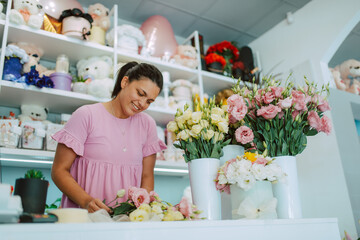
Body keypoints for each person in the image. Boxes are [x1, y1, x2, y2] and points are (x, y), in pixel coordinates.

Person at [51, 62, 167, 213]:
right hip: (82, 218)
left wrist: (142, 212)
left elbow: (147, 177)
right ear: (125, 82)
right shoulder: (86, 115)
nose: (142, 104)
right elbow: (59, 170)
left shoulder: (148, 125)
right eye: (140, 93)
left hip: (124, 224)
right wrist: (86, 201)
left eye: (149, 101)